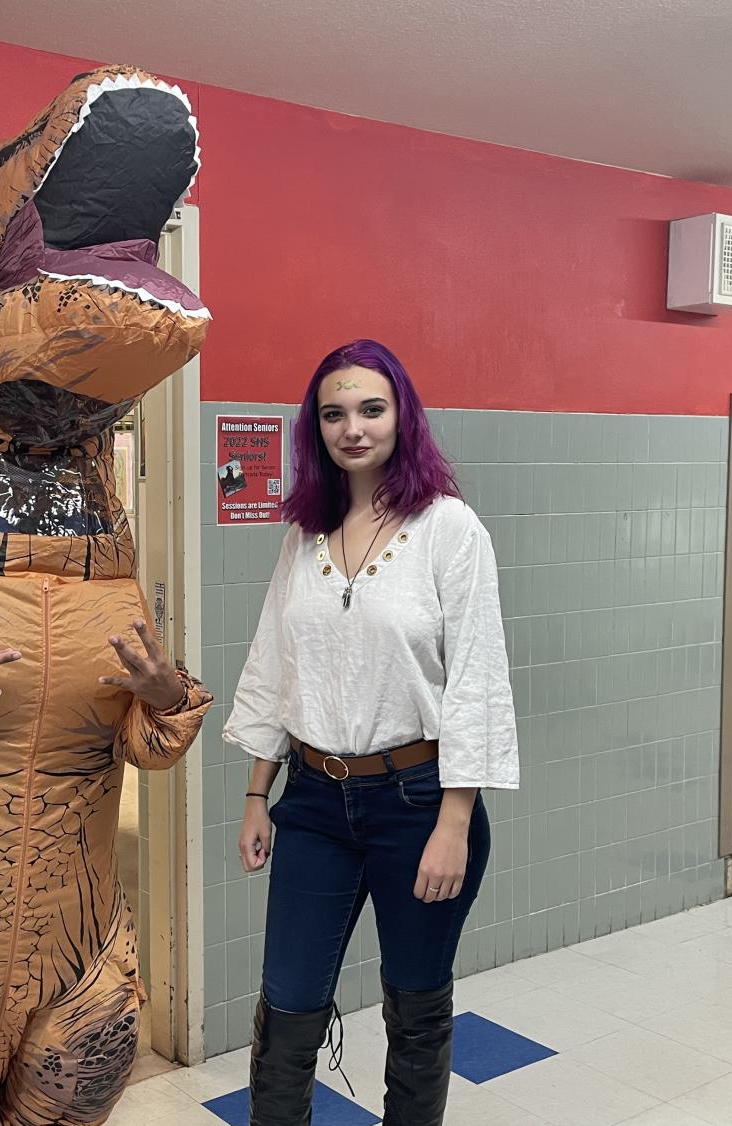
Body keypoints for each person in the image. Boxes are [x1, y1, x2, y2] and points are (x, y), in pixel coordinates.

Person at [226, 339, 519, 1126]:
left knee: (415, 1006)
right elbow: (272, 665)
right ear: (313, 428)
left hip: (419, 802)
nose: (351, 428)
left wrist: (454, 822)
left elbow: (477, 680)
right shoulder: (305, 534)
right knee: (287, 1004)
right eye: (333, 413)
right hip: (315, 801)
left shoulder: (448, 529)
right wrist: (258, 793)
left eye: (370, 409)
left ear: (401, 416)